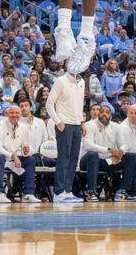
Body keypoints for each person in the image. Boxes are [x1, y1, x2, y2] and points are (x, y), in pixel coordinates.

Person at [47, 68, 85, 203]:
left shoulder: (82, 81)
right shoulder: (60, 81)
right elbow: (49, 104)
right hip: (64, 124)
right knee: (64, 157)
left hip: (76, 124)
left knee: (74, 158)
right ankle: (58, 192)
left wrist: (82, 122)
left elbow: (80, 105)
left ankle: (68, 191)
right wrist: (57, 121)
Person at [0, 105, 38, 203]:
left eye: (17, 113)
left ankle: (28, 193)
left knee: (30, 159)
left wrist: (27, 150)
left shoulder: (23, 127)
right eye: (12, 113)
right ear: (7, 114)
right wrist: (13, 156)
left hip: (12, 159)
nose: (14, 115)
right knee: (1, 157)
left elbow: (28, 146)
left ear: (21, 115)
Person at [80, 104, 123, 202]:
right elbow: (88, 145)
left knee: (131, 157)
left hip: (108, 161)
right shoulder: (88, 125)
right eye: (102, 112)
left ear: (111, 115)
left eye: (107, 112)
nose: (104, 114)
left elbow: (124, 144)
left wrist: (120, 152)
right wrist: (109, 150)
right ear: (98, 114)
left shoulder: (116, 127)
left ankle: (122, 192)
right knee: (93, 154)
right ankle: (91, 192)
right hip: (87, 161)